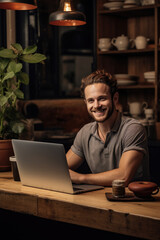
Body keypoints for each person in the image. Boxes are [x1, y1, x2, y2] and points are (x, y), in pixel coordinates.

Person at [66, 70, 150, 186]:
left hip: (133, 201)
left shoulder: (133, 128)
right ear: (86, 102)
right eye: (91, 100)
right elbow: (60, 168)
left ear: (115, 99)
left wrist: (80, 178)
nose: (96, 105)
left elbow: (123, 177)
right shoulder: (85, 132)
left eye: (102, 99)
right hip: (98, 199)